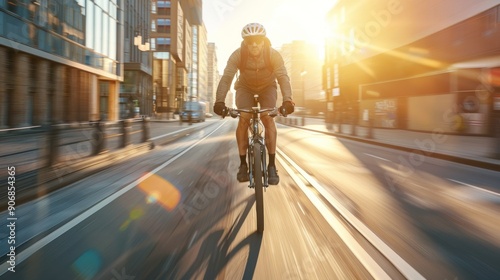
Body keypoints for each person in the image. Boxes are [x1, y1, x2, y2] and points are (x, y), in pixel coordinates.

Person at [213, 22, 295, 185]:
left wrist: (288, 100)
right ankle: (243, 164)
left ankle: (271, 165)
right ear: (245, 42)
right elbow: (227, 77)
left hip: (267, 87)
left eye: (258, 40)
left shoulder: (273, 55)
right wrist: (219, 101)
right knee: (243, 118)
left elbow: (283, 77)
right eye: (250, 41)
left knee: (267, 118)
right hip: (245, 87)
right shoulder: (238, 55)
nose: (255, 44)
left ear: (264, 40)